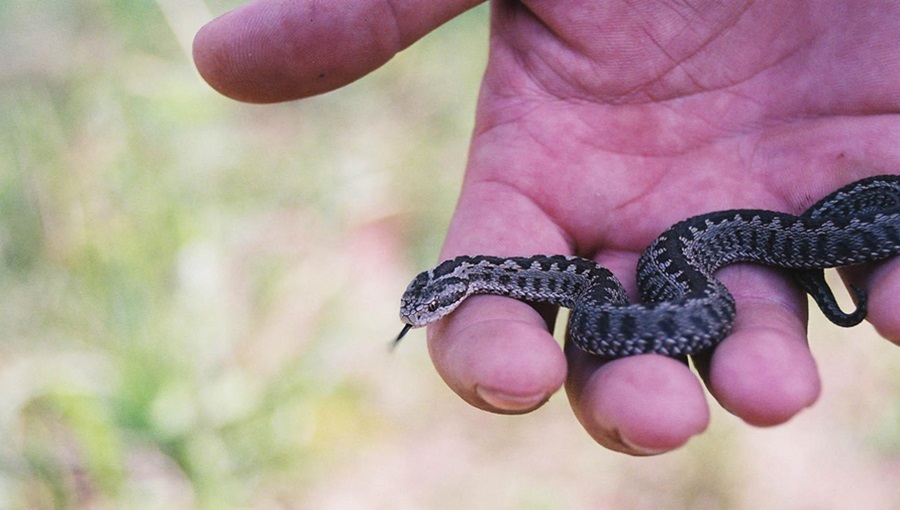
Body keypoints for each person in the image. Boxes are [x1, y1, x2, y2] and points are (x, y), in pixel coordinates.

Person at [192, 0, 900, 455]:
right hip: (689, 262)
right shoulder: (563, 285)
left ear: (453, 289)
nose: (425, 313)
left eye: (430, 305)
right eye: (425, 307)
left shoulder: (554, 283)